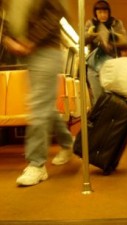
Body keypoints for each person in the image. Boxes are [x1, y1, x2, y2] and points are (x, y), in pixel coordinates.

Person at [3, 0, 74, 186]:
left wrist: (31, 40)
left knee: (39, 107)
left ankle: (37, 164)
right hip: (29, 54)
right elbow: (9, 19)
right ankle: (68, 143)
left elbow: (55, 11)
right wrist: (7, 37)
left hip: (46, 51)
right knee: (45, 107)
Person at [85, 0, 127, 105]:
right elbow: (81, 41)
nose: (103, 15)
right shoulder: (90, 24)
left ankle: (111, 120)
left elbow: (126, 43)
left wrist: (112, 36)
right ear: (95, 13)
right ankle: (98, 121)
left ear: (109, 12)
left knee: (112, 98)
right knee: (98, 99)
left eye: (105, 12)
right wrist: (92, 34)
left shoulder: (116, 24)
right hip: (94, 66)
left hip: (111, 66)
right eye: (99, 12)